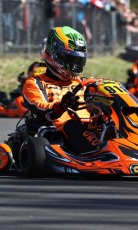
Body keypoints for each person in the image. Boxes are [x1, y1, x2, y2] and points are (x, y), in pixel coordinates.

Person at [22, 26, 100, 154]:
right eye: (71, 59)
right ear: (55, 55)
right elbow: (40, 107)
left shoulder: (85, 83)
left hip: (92, 129)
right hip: (59, 134)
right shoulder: (35, 83)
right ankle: (97, 153)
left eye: (79, 60)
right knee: (72, 125)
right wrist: (60, 106)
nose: (75, 65)